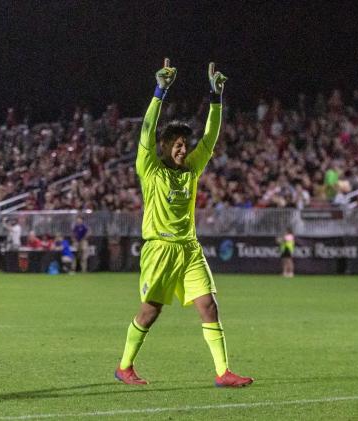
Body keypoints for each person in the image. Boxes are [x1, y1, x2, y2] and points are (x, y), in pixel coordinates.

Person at [114, 59, 253, 388]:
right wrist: (159, 92)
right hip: (159, 249)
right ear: (163, 148)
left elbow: (209, 139)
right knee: (150, 312)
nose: (182, 149)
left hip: (189, 248)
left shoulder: (191, 169)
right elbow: (147, 131)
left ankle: (223, 372)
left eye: (184, 145)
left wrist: (215, 98)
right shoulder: (151, 169)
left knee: (209, 305)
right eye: (176, 144)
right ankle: (125, 366)